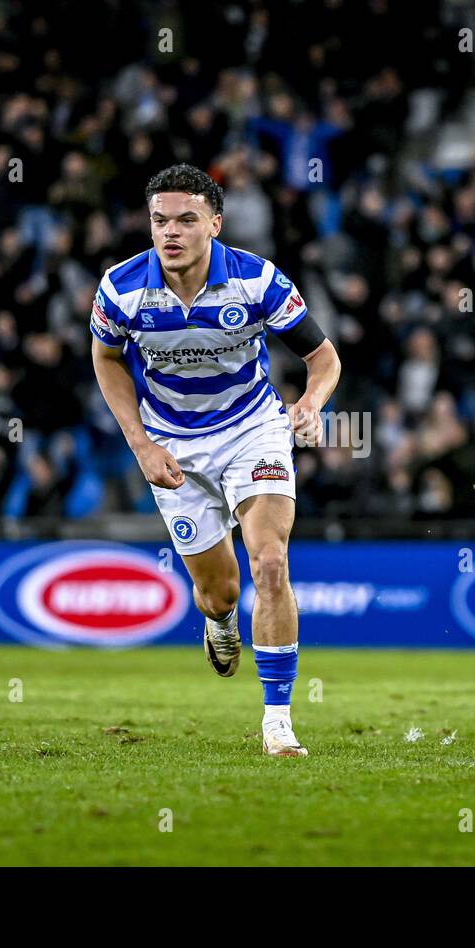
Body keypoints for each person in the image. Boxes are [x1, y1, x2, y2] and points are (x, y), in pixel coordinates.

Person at [91, 164, 340, 757]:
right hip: (172, 445)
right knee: (220, 591)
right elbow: (106, 361)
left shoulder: (258, 282)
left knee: (271, 561)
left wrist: (309, 403)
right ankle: (220, 621)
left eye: (185, 220)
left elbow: (324, 357)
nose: (170, 232)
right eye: (159, 221)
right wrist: (141, 444)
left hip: (253, 429)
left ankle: (277, 721)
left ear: (215, 224)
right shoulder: (121, 289)